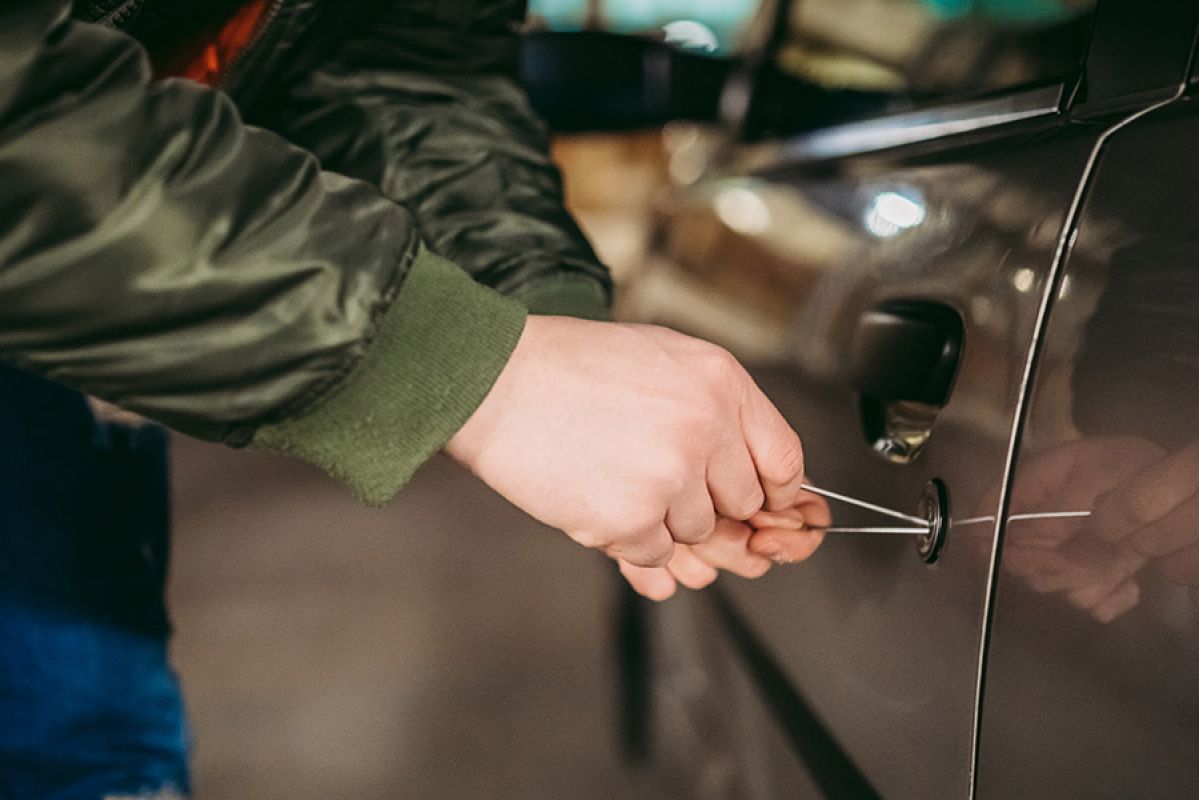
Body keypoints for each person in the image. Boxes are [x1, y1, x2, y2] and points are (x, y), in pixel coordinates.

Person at [0, 2, 828, 796]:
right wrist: (477, 372)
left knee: (90, 746)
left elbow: (406, 62)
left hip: (69, 308)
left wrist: (548, 335)